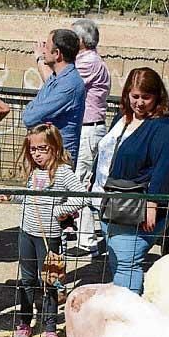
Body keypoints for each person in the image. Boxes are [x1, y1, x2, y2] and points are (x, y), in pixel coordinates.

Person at [0, 123, 87, 337]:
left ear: (55, 148)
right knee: (27, 280)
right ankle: (24, 322)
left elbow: (81, 196)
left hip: (50, 237)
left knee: (51, 281)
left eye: (42, 149)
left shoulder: (63, 172)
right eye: (33, 149)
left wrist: (59, 212)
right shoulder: (33, 172)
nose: (36, 154)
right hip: (27, 233)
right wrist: (13, 196)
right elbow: (30, 199)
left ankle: (50, 327)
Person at [93, 67, 169, 294]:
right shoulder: (122, 118)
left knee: (127, 265)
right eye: (135, 96)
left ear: (157, 97)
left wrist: (152, 205)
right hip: (109, 200)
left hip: (134, 208)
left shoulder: (163, 128)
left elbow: (163, 169)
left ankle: (128, 315)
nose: (139, 102)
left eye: (146, 97)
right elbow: (105, 154)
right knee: (118, 261)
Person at [68, 19, 111, 258]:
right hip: (88, 128)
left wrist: (42, 61)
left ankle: (87, 241)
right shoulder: (91, 61)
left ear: (81, 41)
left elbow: (65, 85)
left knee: (80, 183)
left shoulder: (88, 63)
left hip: (88, 128)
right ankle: (80, 230)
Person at [24, 29, 86, 167]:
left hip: (58, 161)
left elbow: (30, 117)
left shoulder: (70, 84)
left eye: (46, 47)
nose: (43, 51)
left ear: (57, 54)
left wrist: (32, 109)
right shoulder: (55, 78)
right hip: (45, 157)